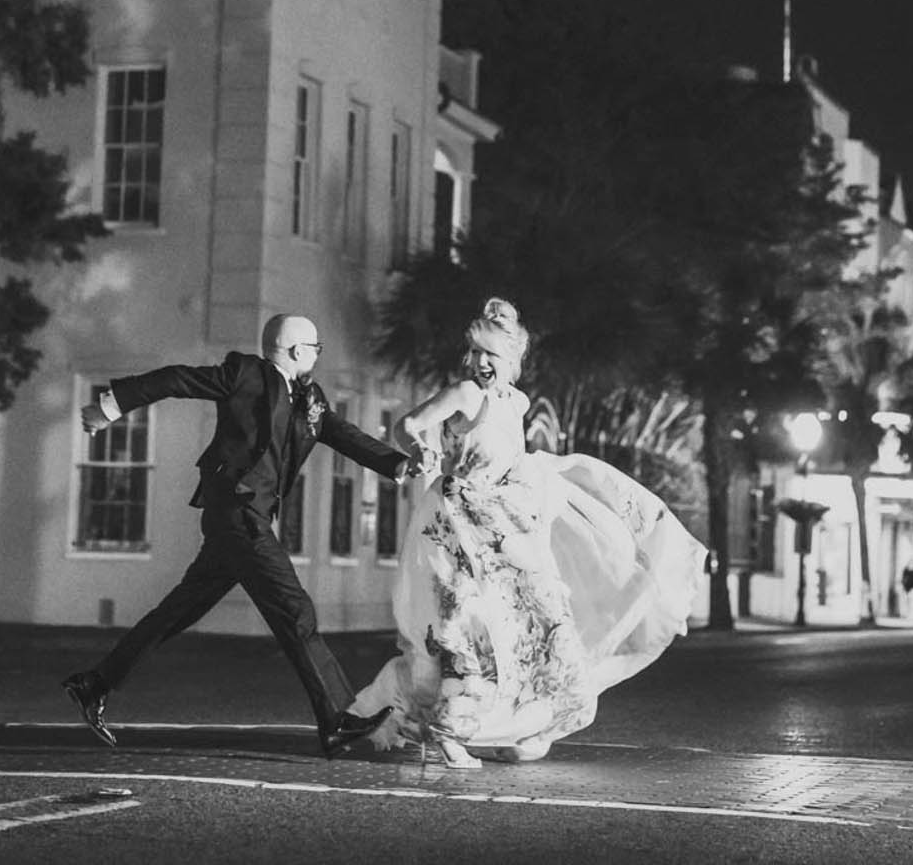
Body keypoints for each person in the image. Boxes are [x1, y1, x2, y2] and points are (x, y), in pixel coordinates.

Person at [350, 298, 705, 769]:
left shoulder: (515, 403)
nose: (480, 364)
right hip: (456, 525)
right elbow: (408, 424)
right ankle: (447, 730)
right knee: (463, 630)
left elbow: (511, 462)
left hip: (505, 527)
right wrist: (419, 450)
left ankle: (526, 726)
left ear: (512, 361)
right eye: (475, 353)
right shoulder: (465, 394)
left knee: (535, 628)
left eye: (491, 356)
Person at [59, 313, 420, 757]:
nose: (318, 355)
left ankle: (94, 684)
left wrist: (396, 464)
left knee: (175, 613)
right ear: (293, 350)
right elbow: (177, 379)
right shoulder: (246, 374)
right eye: (315, 348)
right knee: (295, 610)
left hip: (249, 520)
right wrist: (111, 406)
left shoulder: (311, 397)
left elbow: (342, 434)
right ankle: (336, 720)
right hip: (236, 513)